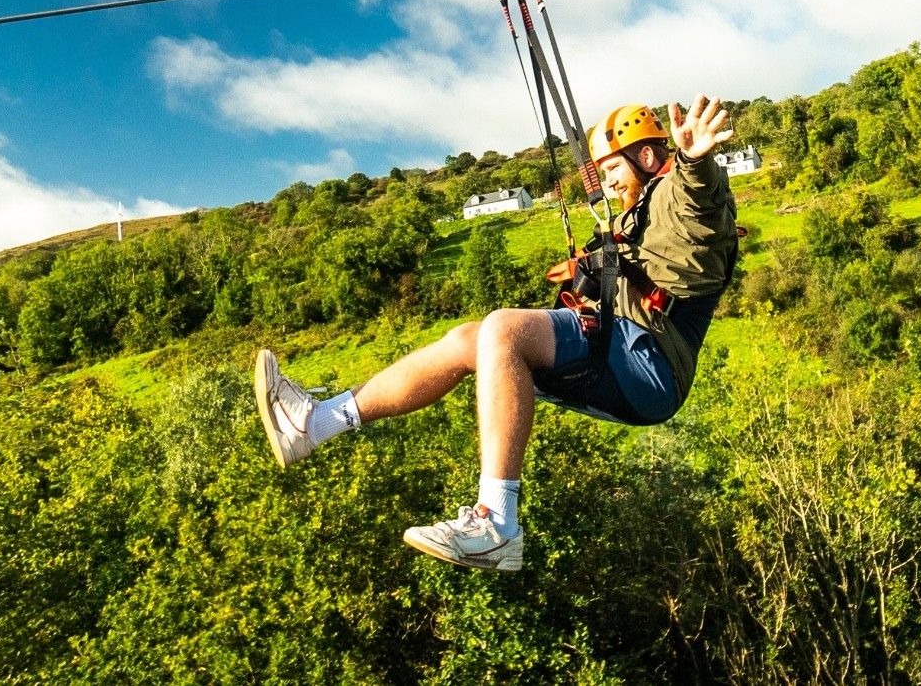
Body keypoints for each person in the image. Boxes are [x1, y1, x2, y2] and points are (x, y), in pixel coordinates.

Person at [253, 95, 739, 572]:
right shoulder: (641, 215)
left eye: (613, 169)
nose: (608, 183)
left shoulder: (681, 199)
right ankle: (314, 425)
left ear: (647, 156)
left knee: (504, 330)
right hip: (625, 356)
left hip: (648, 363)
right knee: (475, 338)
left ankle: (497, 523)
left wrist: (695, 160)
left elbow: (697, 197)